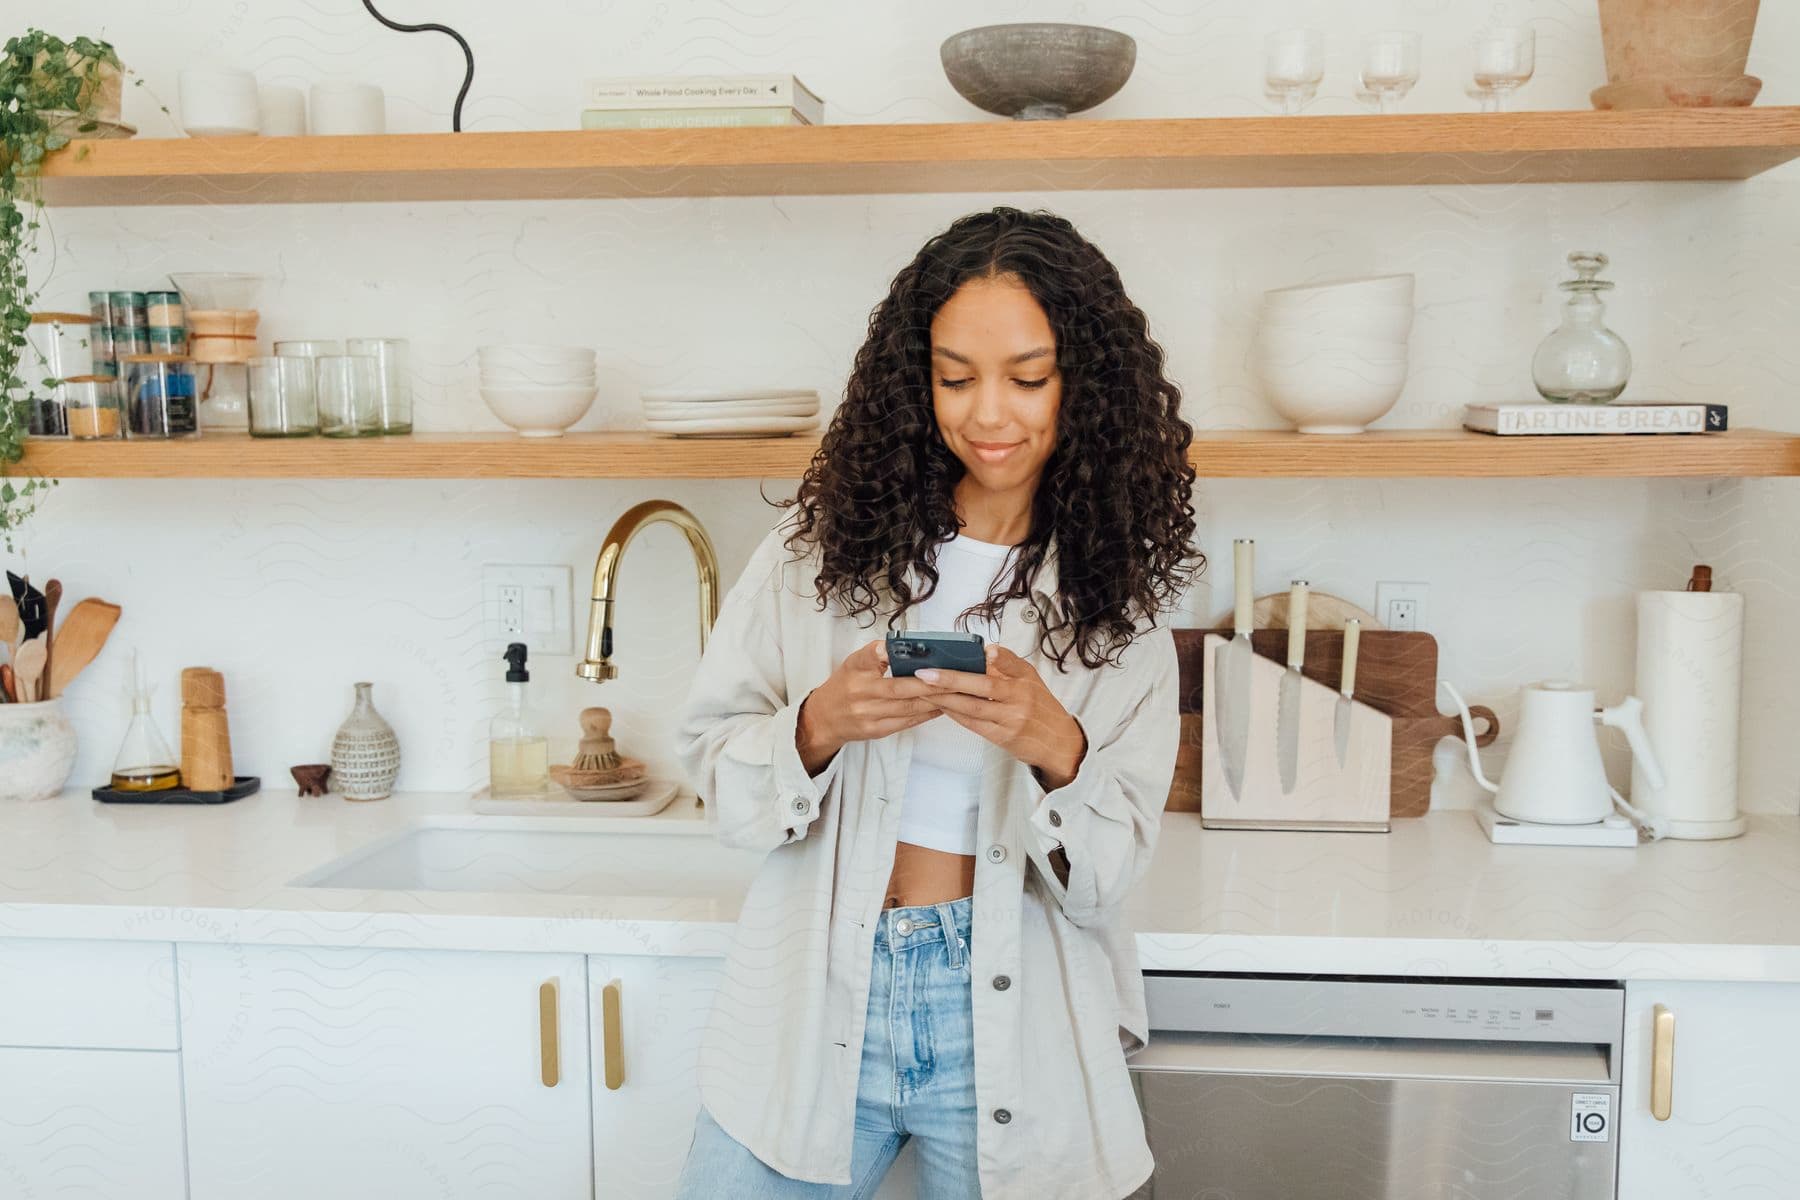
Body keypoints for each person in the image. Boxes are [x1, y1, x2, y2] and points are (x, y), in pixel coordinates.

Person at [673, 206, 1201, 1200]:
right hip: (818, 988)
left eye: (1027, 378)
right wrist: (819, 725)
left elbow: (1106, 875)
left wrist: (1057, 747)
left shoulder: (1117, 591)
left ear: (1083, 382)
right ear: (915, 382)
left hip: (1015, 1002)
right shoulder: (815, 548)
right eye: (955, 378)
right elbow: (713, 774)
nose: (988, 414)